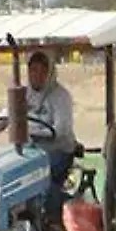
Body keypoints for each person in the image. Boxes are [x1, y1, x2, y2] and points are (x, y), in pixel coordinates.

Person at [25, 49, 78, 198]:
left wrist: (35, 133)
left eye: (42, 71)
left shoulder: (61, 96)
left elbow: (62, 129)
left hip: (57, 150)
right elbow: (5, 115)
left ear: (49, 72)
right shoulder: (22, 94)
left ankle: (53, 209)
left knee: (36, 173)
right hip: (28, 149)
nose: (37, 75)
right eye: (33, 70)